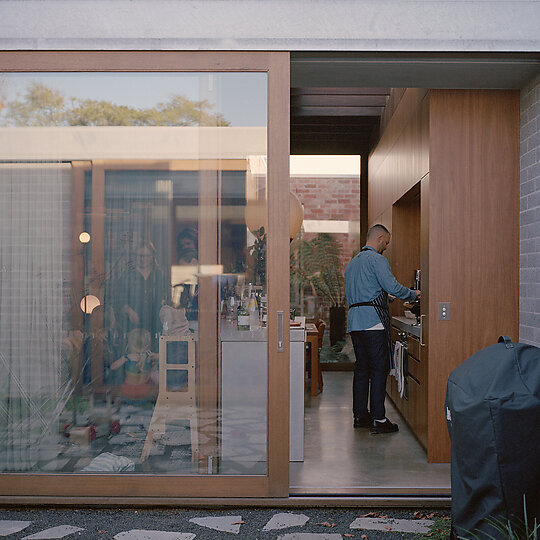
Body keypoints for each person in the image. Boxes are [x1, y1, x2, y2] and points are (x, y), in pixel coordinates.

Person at [345, 224, 420, 434]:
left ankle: (360, 415)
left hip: (355, 322)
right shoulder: (377, 260)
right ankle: (379, 418)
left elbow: (361, 293)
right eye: (386, 242)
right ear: (379, 238)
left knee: (362, 369)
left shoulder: (352, 264)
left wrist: (382, 297)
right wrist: (415, 295)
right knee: (378, 369)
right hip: (373, 322)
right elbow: (393, 286)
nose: (386, 247)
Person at [113, 241, 170, 350]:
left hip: (154, 322)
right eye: (140, 256)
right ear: (135, 256)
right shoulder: (127, 274)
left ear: (153, 256)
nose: (143, 259)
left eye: (146, 256)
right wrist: (128, 310)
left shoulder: (158, 274)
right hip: (132, 323)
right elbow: (118, 298)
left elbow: (166, 296)